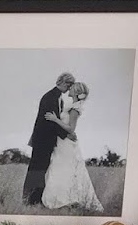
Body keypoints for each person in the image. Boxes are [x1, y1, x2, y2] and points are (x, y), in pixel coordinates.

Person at [41, 81, 103, 212]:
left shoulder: (75, 109)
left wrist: (55, 119)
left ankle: (65, 199)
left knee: (62, 168)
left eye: (72, 88)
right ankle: (64, 198)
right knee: (60, 168)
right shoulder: (71, 105)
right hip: (62, 141)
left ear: (76, 92)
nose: (69, 88)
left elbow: (71, 128)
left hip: (66, 144)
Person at [22, 71, 75, 206]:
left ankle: (33, 199)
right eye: (68, 85)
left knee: (39, 169)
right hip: (43, 140)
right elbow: (49, 122)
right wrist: (66, 134)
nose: (69, 88)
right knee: (37, 169)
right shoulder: (50, 97)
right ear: (62, 82)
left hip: (44, 139)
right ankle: (31, 200)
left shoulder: (55, 97)